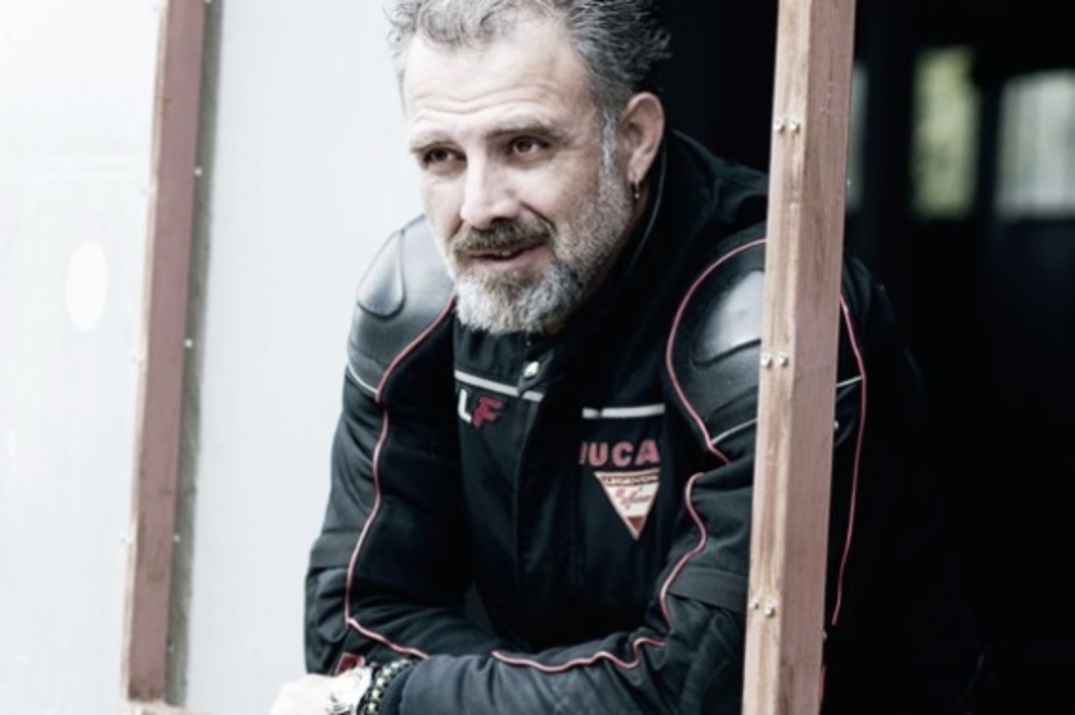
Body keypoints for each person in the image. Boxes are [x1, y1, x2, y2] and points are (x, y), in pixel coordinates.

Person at [271, 0, 987, 713]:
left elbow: (702, 691)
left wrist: (396, 697)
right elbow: (354, 628)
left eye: (525, 145)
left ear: (635, 138)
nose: (480, 207)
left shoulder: (765, 319)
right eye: (441, 157)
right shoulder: (418, 304)